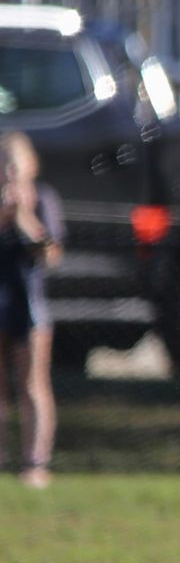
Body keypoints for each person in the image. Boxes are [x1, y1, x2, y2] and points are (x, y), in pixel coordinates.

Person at [0, 132, 64, 488]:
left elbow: (52, 254)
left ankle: (36, 462)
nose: (8, 170)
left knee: (33, 384)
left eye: (14, 162)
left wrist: (23, 216)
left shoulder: (43, 198)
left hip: (29, 304)